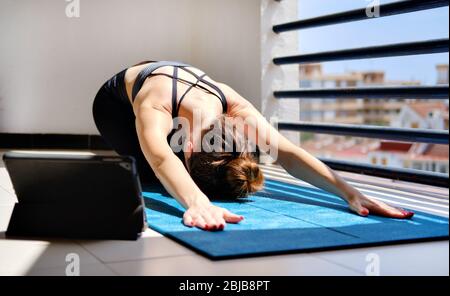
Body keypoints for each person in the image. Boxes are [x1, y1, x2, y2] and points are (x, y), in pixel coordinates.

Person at [92, 60, 414, 231]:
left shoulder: (230, 102)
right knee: (149, 172)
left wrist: (351, 193)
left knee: (179, 174)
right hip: (113, 107)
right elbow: (162, 157)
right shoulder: (155, 104)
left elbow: (288, 152)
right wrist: (196, 201)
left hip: (183, 107)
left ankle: (201, 175)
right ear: (187, 147)